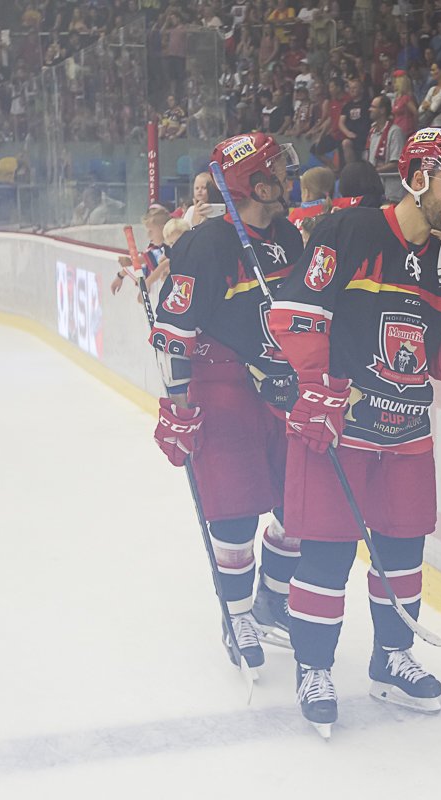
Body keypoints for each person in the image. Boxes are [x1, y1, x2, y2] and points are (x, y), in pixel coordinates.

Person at [266, 128, 441, 735]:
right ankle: (314, 668)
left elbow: (440, 364)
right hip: (340, 427)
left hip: (406, 435)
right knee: (327, 554)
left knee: (403, 557)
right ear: (417, 178)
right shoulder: (349, 232)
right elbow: (297, 313)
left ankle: (392, 659)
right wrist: (316, 386)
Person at [149, 133, 305, 676]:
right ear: (256, 184)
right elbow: (174, 334)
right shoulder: (205, 244)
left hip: (282, 386)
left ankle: (272, 600)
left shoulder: (288, 235)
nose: (287, 177)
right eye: (277, 171)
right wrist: (178, 409)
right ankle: (237, 615)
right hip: (222, 388)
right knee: (235, 511)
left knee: (299, 503)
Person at [365, 93, 406, 172]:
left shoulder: (395, 132)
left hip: (388, 179)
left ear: (382, 110)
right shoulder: (372, 132)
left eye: (373, 107)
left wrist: (374, 172)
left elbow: (396, 163)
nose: (369, 109)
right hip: (374, 178)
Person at [339, 78, 372, 164]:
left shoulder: (368, 103)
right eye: (350, 88)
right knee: (345, 143)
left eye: (355, 88)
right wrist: (348, 133)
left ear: (361, 89)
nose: (352, 90)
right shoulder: (347, 106)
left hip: (366, 136)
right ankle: (352, 168)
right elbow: (341, 123)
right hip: (352, 137)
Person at [419, 60, 441, 127]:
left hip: (440, 125)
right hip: (429, 126)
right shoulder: (432, 89)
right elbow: (420, 109)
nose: (431, 72)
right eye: (431, 70)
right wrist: (426, 106)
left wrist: (427, 105)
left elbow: (434, 108)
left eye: (433, 70)